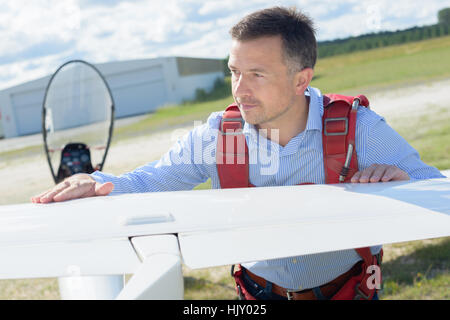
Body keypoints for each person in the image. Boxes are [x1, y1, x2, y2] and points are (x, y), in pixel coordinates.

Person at [31, 7, 444, 300]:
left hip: (345, 290)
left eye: (257, 75)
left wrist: (401, 182)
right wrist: (97, 181)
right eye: (234, 71)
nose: (239, 89)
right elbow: (148, 181)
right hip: (257, 292)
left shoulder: (358, 128)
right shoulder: (219, 135)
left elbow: (436, 190)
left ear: (302, 78)